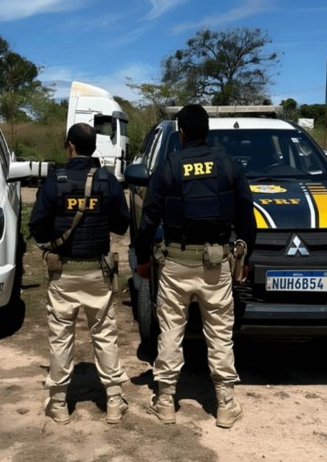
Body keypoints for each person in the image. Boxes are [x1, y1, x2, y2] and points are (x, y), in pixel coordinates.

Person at [134, 104, 256, 428]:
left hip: (175, 263)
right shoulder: (228, 166)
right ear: (207, 131)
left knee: (171, 331)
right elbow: (247, 218)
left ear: (181, 132)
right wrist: (246, 256)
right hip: (216, 265)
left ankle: (165, 402)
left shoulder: (169, 167)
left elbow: (148, 220)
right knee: (220, 334)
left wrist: (143, 259)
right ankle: (226, 405)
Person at [29, 122, 130, 425]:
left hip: (63, 273)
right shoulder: (107, 179)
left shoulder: (55, 180)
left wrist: (55, 238)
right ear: (93, 146)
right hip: (98, 272)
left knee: (61, 337)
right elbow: (121, 225)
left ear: (69, 146)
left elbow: (37, 226)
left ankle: (59, 404)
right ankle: (114, 402)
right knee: (104, 334)